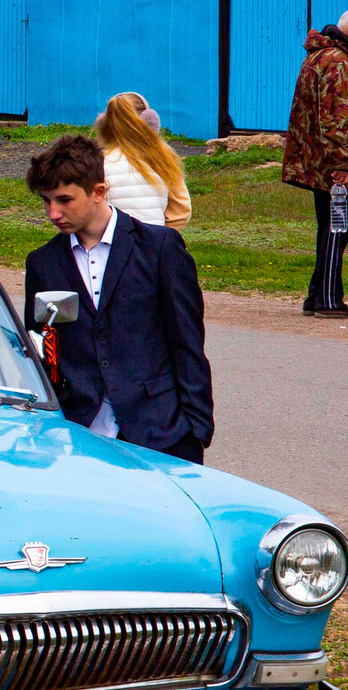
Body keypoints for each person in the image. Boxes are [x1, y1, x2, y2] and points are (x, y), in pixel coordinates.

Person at [22, 134, 213, 462]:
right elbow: (40, 349)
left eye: (64, 200)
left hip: (160, 432)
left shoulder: (159, 248)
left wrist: (196, 431)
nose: (53, 213)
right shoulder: (43, 263)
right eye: (46, 201)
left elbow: (187, 343)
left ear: (98, 192)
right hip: (78, 436)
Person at [282, 7, 348, 317]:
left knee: (330, 228)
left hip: (318, 161)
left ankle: (318, 296)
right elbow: (337, 119)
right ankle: (327, 301)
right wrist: (342, 167)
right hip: (336, 166)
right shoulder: (339, 63)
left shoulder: (322, 56)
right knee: (337, 229)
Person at [95, 91, 191, 228]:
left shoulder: (99, 162)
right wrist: (163, 235)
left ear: (105, 124)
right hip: (155, 238)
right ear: (148, 121)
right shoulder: (163, 158)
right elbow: (181, 212)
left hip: (115, 238)